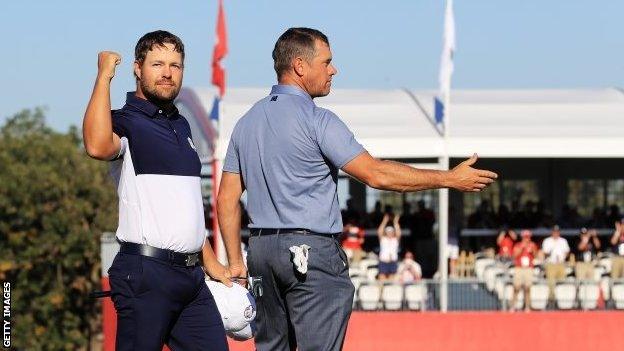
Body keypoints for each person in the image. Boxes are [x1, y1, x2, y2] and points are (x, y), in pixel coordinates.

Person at [216, 27, 498, 351]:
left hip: (262, 252)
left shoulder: (246, 122)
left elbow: (226, 197)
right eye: (327, 62)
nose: (333, 69)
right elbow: (376, 175)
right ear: (299, 65)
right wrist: (448, 178)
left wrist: (236, 261)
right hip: (310, 254)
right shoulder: (317, 120)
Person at [82, 31, 229, 350]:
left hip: (192, 278)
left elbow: (182, 208)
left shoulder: (182, 125)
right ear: (137, 68)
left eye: (175, 65)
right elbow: (95, 144)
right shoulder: (125, 122)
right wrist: (104, 75)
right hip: (147, 273)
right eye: (157, 64)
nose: (167, 73)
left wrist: (211, 261)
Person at [510, 230, 538, 312]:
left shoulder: (532, 245)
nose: (527, 239)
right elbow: (514, 256)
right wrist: (522, 248)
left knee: (527, 288)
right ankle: (513, 306)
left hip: (528, 268)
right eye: (525, 237)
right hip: (519, 268)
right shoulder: (518, 245)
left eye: (528, 237)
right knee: (516, 287)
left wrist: (532, 250)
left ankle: (527, 306)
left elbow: (536, 255)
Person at [542, 225, 570, 301]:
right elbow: (545, 252)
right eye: (554, 231)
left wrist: (563, 256)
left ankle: (561, 299)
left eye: (557, 231)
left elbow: (567, 251)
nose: (556, 233)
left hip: (561, 263)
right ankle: (551, 299)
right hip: (551, 263)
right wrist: (549, 252)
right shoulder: (547, 241)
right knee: (551, 282)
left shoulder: (563, 241)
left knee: (562, 281)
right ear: (552, 232)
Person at [377, 213, 401, 281]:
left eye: (391, 232)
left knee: (392, 281)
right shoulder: (383, 239)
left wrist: (395, 222)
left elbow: (398, 232)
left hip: (393, 262)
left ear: (393, 232)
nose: (389, 233)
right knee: (382, 280)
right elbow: (379, 231)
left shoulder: (395, 240)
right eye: (388, 232)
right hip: (383, 261)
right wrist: (384, 221)